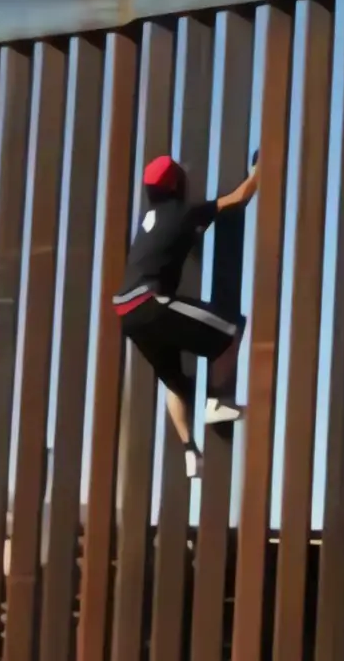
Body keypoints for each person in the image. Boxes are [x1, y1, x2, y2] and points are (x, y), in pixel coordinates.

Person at [110, 151, 259, 478]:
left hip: (126, 311)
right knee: (232, 328)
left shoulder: (150, 219)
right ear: (178, 184)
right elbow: (237, 198)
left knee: (175, 381)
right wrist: (261, 170)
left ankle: (190, 448)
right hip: (149, 302)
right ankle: (217, 402)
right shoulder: (184, 212)